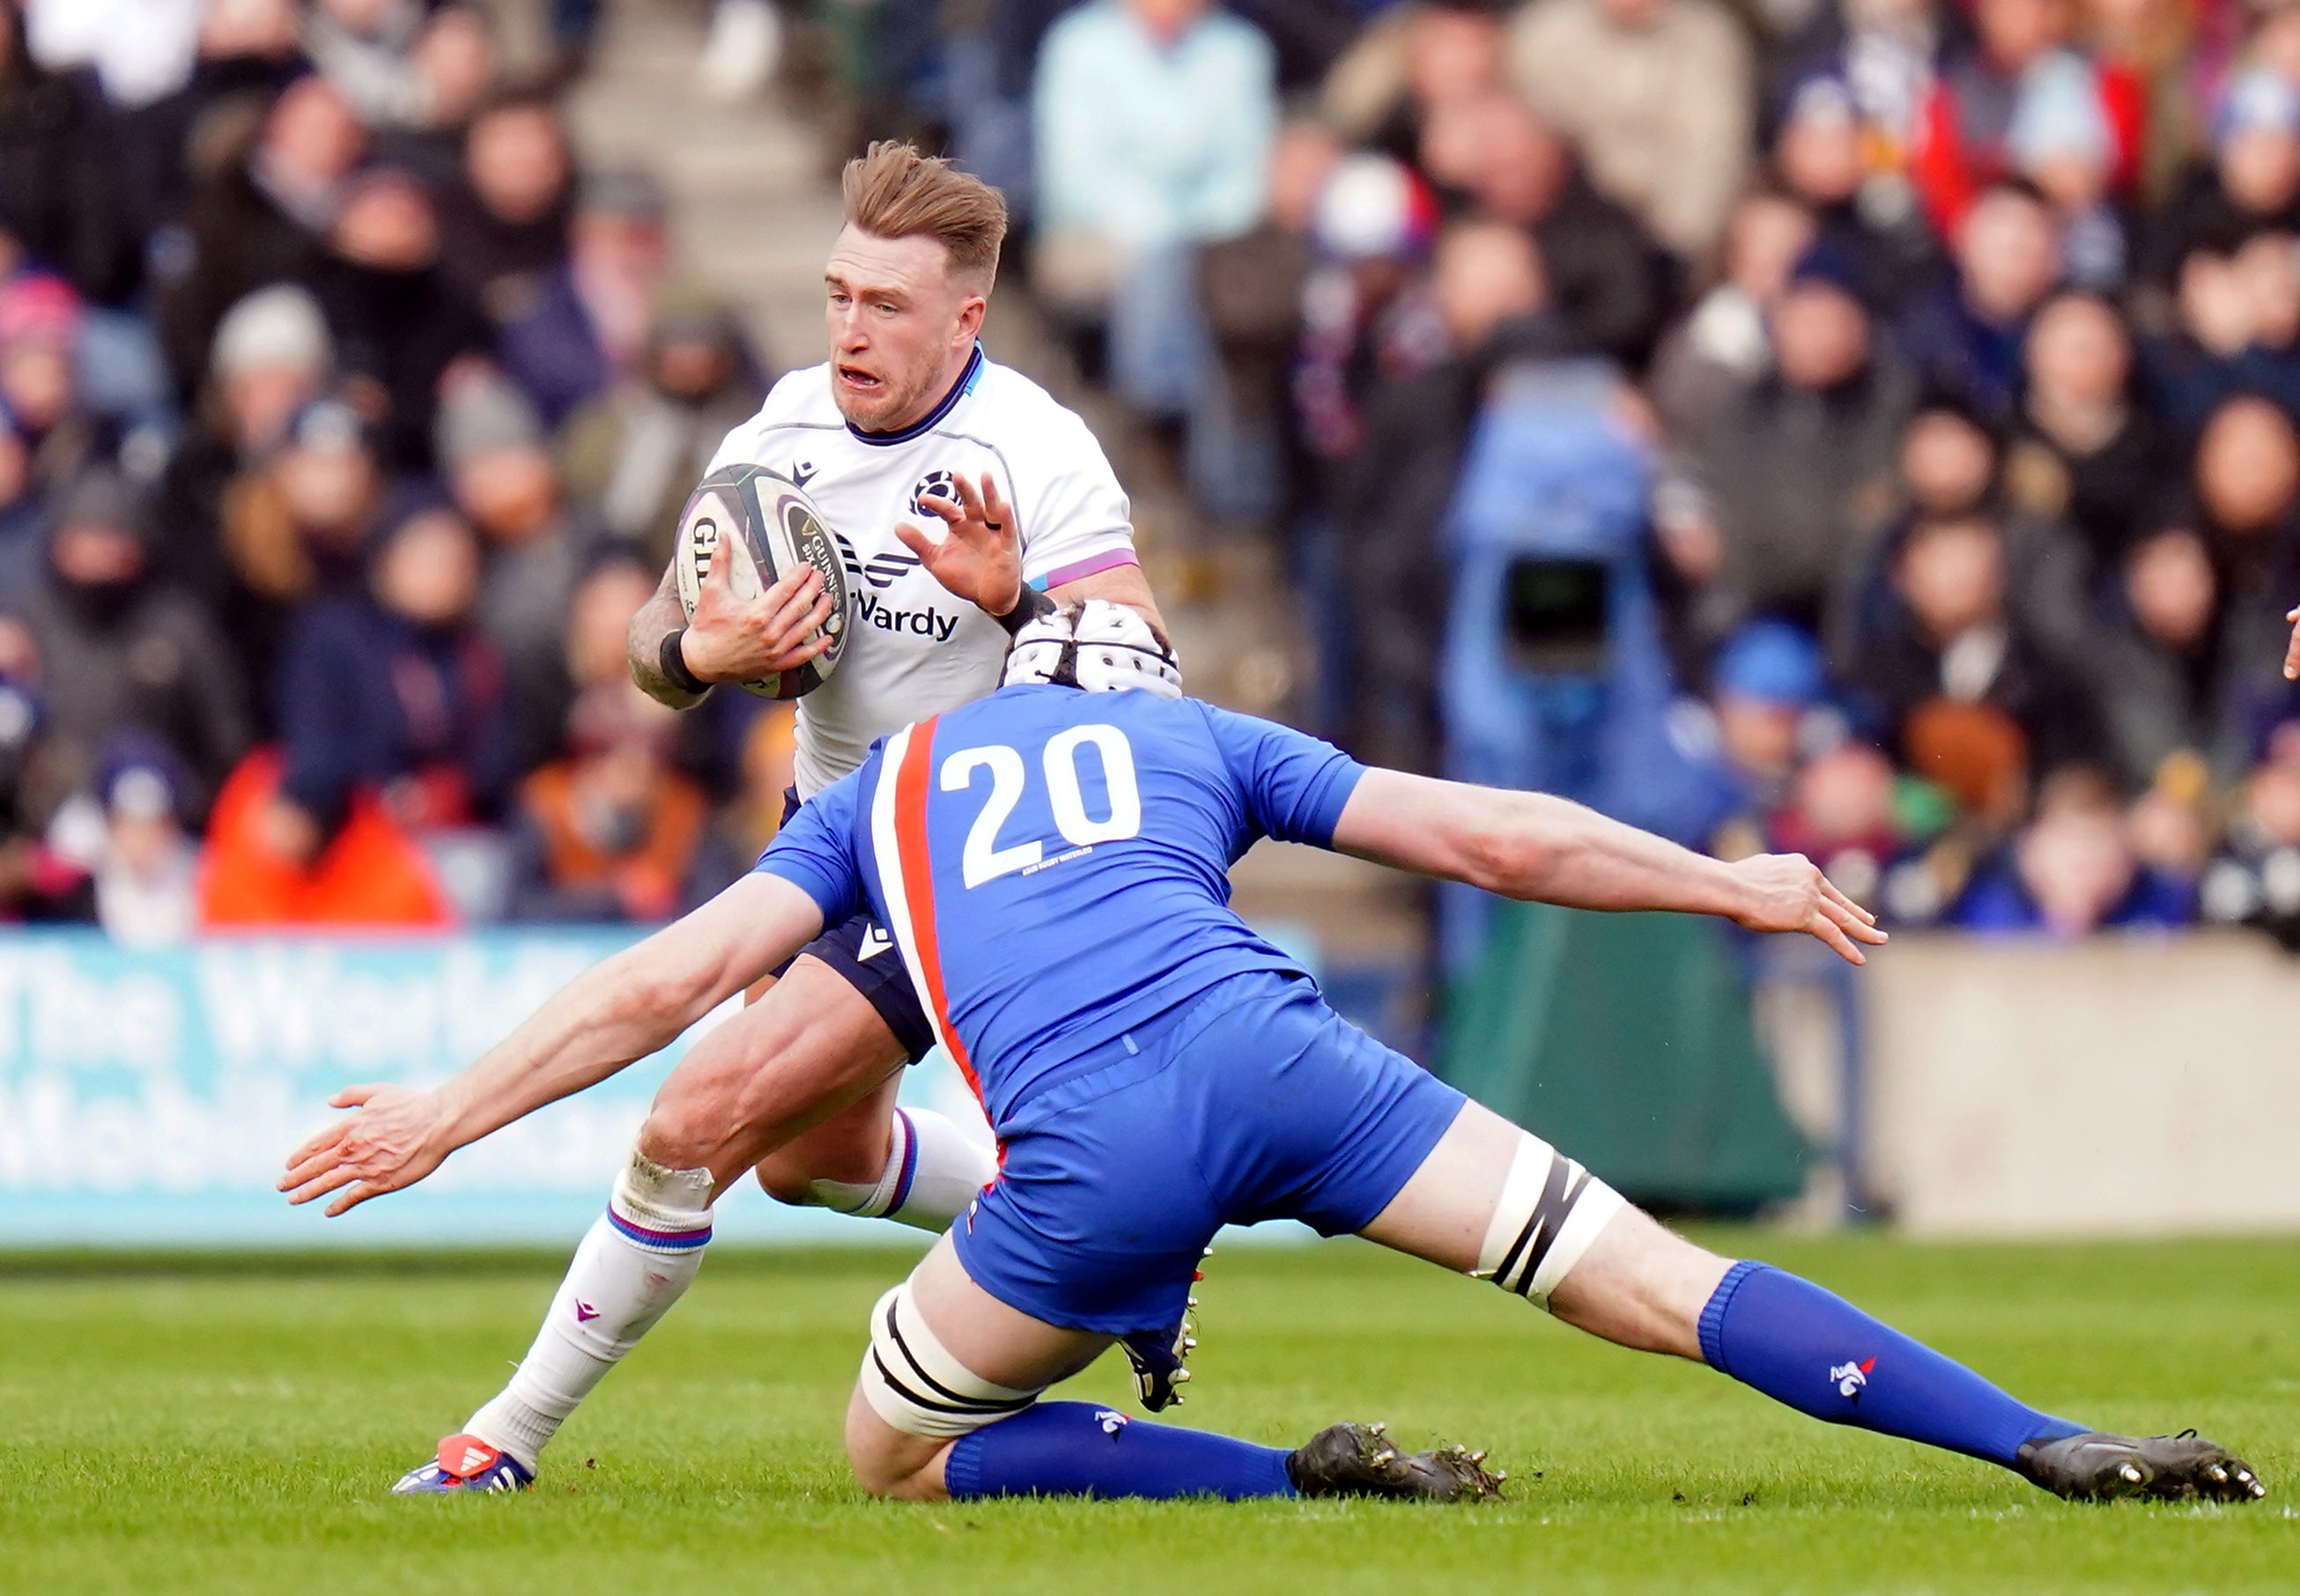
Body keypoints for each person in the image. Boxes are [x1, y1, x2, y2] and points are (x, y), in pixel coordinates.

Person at [282, 600, 2265, 1509]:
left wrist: (452, 1113)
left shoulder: (882, 788)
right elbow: (1493, 833)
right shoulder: (1195, 742)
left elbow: (666, 986)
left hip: (1099, 1149)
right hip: (1291, 1058)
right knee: (1648, 1283)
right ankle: (2033, 1438)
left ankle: (1288, 1485)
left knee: (895, 1450)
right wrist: (1723, 882)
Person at [349, 140, 1167, 1492]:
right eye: (840, 293)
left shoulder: (1035, 450)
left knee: (693, 1119)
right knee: (807, 1159)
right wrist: (703, 661)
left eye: (887, 306)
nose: (850, 328)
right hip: (831, 826)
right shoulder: (774, 434)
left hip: (973, 844)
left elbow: (1145, 668)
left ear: (967, 317)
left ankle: (503, 1440)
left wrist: (1020, 600)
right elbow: (651, 640)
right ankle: (1129, 1242)